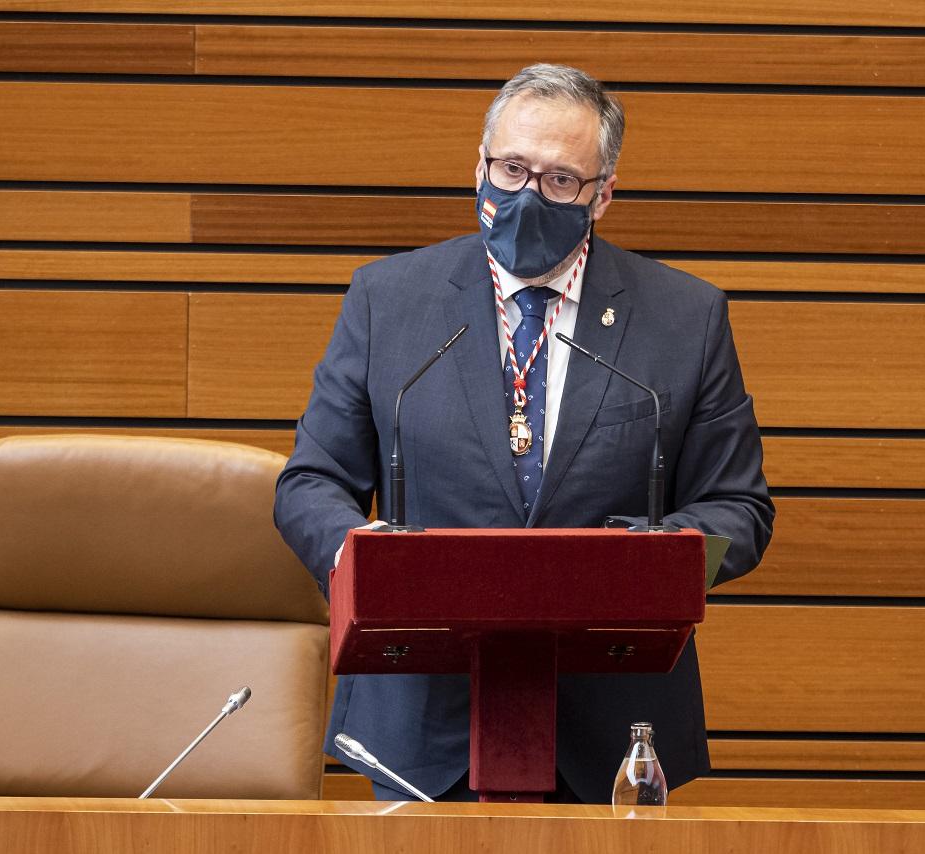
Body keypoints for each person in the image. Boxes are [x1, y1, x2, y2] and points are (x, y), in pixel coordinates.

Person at [274, 63, 774, 803]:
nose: (528, 196)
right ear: (477, 166)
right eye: (511, 169)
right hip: (422, 720)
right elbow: (311, 483)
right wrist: (362, 554)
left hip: (609, 726)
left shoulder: (684, 318)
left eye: (561, 181)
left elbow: (739, 506)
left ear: (603, 195)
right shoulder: (389, 300)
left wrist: (650, 560)